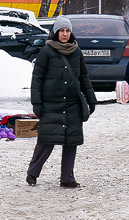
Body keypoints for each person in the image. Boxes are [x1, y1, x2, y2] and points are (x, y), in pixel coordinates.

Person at [26, 16, 96, 189]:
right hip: (51, 103)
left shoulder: (76, 52)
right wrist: (37, 102)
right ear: (55, 32)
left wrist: (91, 99)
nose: (64, 34)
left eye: (67, 31)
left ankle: (67, 178)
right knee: (46, 141)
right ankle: (32, 173)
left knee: (71, 141)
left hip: (72, 104)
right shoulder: (46, 52)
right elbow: (37, 79)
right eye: (61, 31)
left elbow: (84, 78)